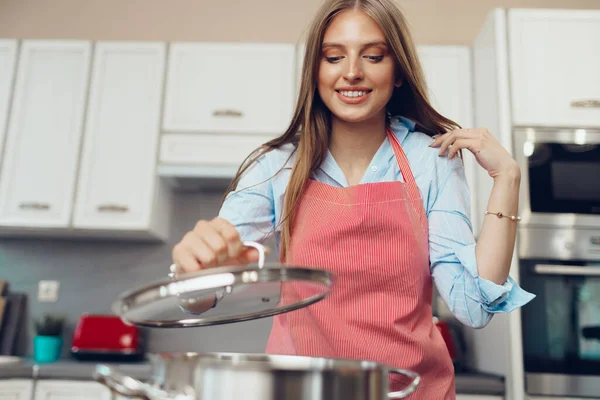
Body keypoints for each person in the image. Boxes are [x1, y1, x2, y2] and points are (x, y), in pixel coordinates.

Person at [171, 0, 535, 398]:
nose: (352, 72)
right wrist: (197, 272)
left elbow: (474, 307)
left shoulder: (430, 161)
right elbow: (197, 298)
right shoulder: (277, 167)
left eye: (374, 56)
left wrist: (508, 178)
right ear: (316, 70)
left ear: (397, 72)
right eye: (333, 57)